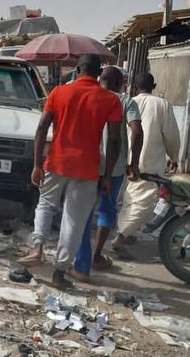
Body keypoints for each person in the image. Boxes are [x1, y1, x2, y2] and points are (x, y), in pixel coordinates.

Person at [20, 54, 122, 289]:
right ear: (98, 73)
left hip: (56, 162)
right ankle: (59, 273)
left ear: (77, 69)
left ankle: (37, 247)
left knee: (45, 204)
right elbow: (114, 140)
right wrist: (107, 175)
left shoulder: (58, 92)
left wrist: (37, 163)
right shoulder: (110, 100)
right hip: (87, 168)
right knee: (74, 221)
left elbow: (41, 128)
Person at [70, 66, 143, 281]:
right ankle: (96, 256)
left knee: (82, 212)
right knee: (106, 210)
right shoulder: (126, 101)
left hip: (87, 164)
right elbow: (137, 131)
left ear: (100, 80)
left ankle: (81, 261)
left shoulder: (87, 97)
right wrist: (134, 163)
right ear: (121, 83)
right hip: (116, 167)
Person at [112, 72, 181, 256]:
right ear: (154, 86)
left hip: (123, 159)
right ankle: (121, 236)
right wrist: (173, 157)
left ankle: (128, 233)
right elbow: (172, 135)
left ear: (135, 86)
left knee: (130, 197)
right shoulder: (162, 105)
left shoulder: (127, 102)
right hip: (147, 160)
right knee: (143, 201)